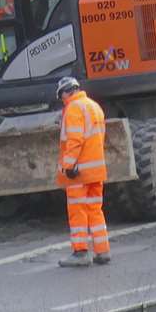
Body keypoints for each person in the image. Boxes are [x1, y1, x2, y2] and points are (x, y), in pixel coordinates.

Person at [55, 76, 110, 267]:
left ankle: (80, 252)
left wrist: (68, 166)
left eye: (61, 95)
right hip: (96, 170)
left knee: (77, 211)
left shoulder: (73, 109)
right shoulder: (94, 106)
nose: (62, 99)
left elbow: (75, 140)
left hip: (79, 173)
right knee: (95, 210)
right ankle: (102, 251)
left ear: (66, 91)